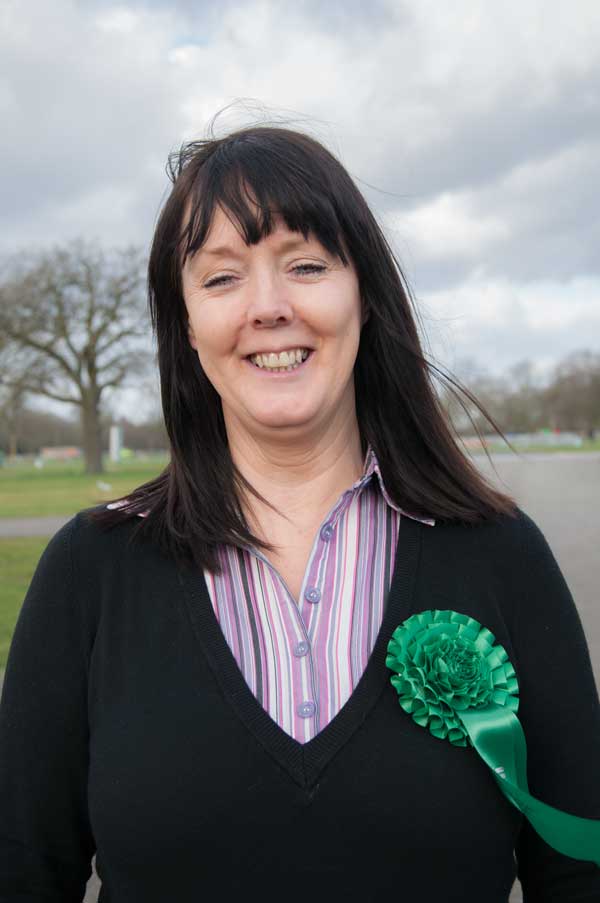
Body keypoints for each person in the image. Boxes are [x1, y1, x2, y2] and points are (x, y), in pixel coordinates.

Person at [1, 123, 599, 903]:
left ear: (365, 296)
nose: (269, 307)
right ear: (185, 324)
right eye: (220, 279)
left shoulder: (502, 555)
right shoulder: (91, 568)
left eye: (307, 265)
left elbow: (580, 870)